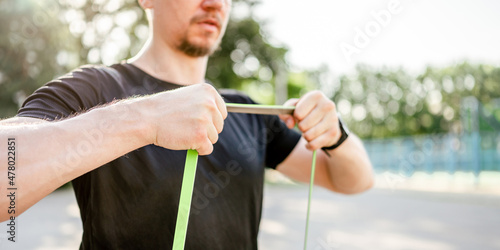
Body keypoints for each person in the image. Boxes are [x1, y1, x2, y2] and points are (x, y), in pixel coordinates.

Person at [0, 0, 373, 249]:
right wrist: (143, 119)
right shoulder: (94, 89)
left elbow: (353, 181)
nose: (214, 3)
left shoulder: (246, 111)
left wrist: (336, 136)